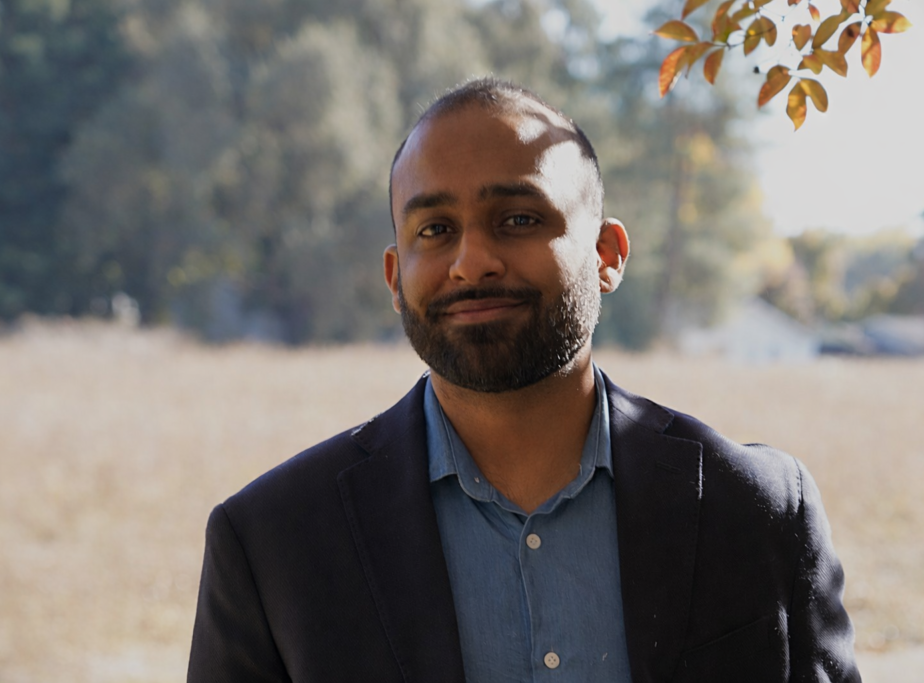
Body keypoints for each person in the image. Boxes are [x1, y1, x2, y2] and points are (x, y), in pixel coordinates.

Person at [188, 78, 861, 683]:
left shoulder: (757, 510)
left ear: (606, 254)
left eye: (518, 219)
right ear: (395, 279)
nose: (472, 261)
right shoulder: (272, 543)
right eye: (435, 229)